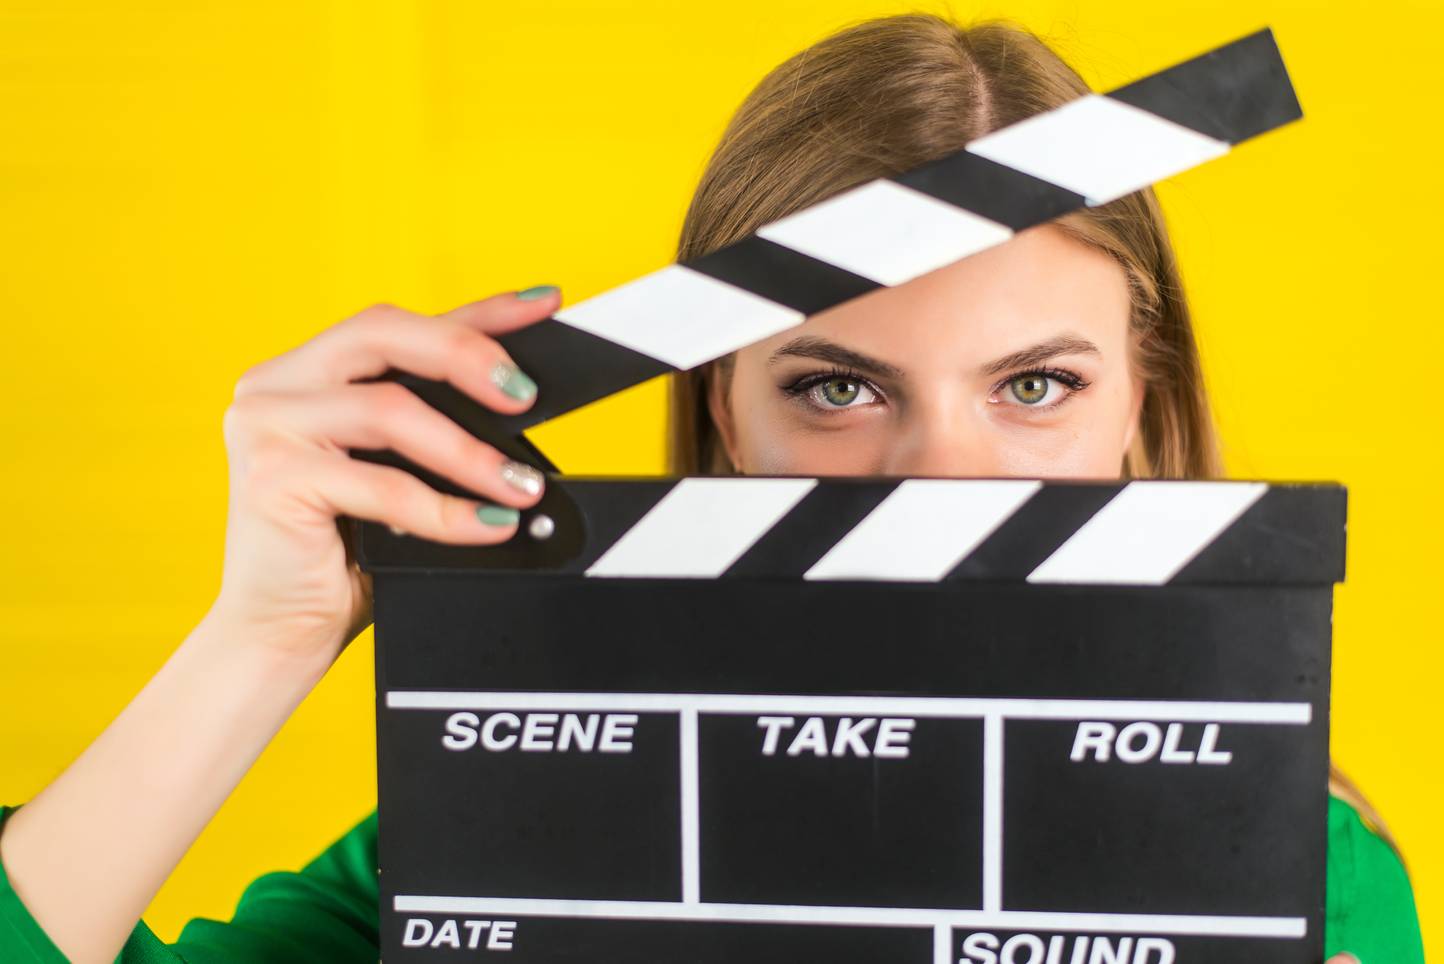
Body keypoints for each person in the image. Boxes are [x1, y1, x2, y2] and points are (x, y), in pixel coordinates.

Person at [0, 12, 1424, 964]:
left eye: (1036, 387)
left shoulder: (1308, 882)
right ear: (725, 419)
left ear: (1141, 410)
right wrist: (261, 635)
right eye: (838, 389)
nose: (941, 480)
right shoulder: (505, 820)